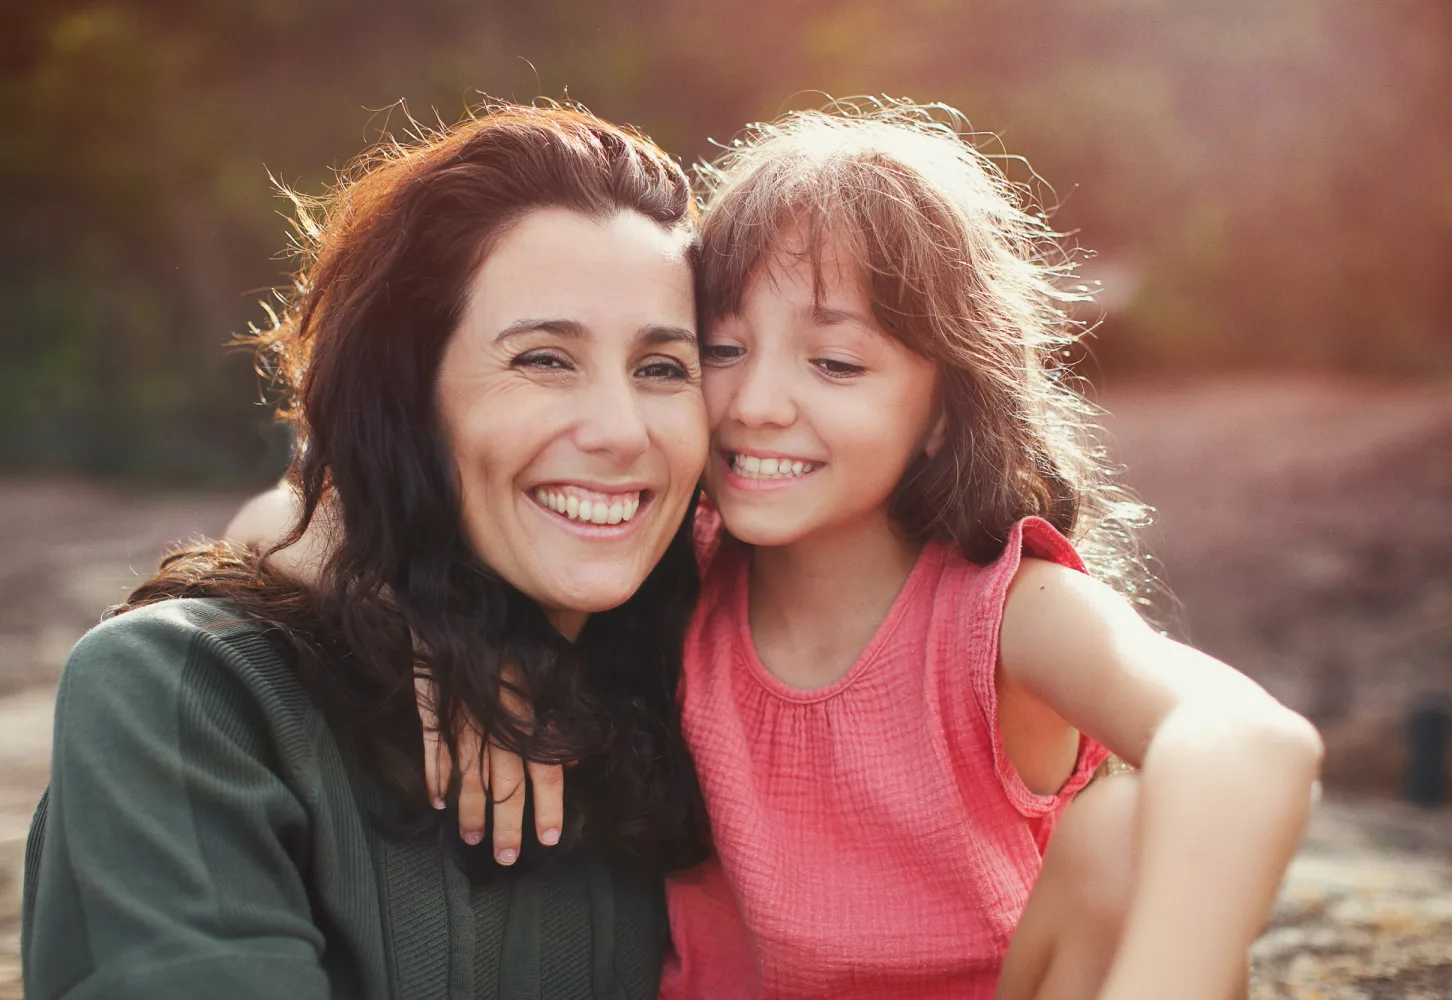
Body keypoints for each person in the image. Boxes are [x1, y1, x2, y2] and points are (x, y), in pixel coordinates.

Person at [412, 102, 1323, 999]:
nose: (756, 403)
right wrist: (467, 642)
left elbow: (1251, 741)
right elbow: (292, 526)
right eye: (721, 350)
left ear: (941, 411)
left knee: (1123, 831)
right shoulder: (663, 562)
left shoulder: (1004, 616)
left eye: (836, 364)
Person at [20, 103, 715, 999]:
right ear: (406, 399)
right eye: (544, 359)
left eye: (663, 368)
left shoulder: (713, 683)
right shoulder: (190, 691)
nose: (623, 433)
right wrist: (426, 607)